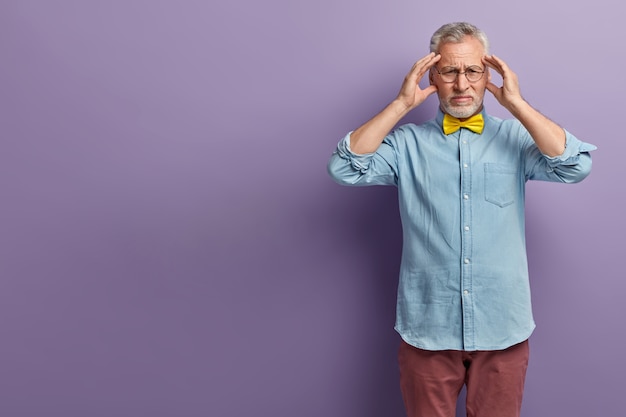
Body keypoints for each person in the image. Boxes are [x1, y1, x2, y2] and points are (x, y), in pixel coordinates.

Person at [327, 22, 596, 417]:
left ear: (488, 75)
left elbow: (576, 167)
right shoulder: (406, 145)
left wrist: (516, 105)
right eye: (449, 71)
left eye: (473, 71)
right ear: (431, 76)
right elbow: (343, 168)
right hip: (428, 327)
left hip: (502, 327)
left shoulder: (517, 140)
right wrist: (401, 105)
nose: (462, 84)